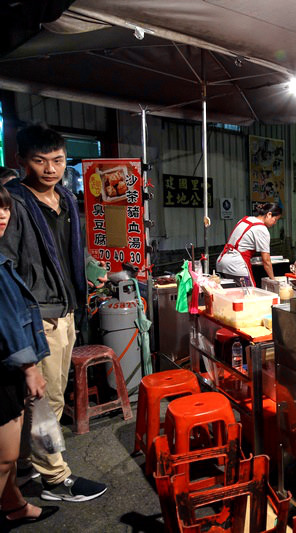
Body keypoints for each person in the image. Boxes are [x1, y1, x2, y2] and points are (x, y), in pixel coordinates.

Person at [0, 124, 107, 502]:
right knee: (42, 400)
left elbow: (68, 253)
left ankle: (27, 465)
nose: (50, 169)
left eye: (58, 160)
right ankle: (55, 479)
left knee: (54, 396)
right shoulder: (13, 202)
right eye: (39, 161)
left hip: (65, 310)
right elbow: (5, 265)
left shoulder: (63, 198)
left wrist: (90, 271)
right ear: (21, 161)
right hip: (37, 316)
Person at [0, 183, 59, 528]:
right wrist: (30, 367)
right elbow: (5, 320)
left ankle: (15, 504)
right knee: (6, 457)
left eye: (5, 208)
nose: (2, 215)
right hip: (8, 364)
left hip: (9, 365)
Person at [216, 202, 282, 285]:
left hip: (222, 261)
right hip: (237, 266)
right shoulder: (261, 229)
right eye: (275, 219)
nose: (275, 223)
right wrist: (273, 280)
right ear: (269, 214)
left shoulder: (245, 219)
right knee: (249, 294)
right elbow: (266, 261)